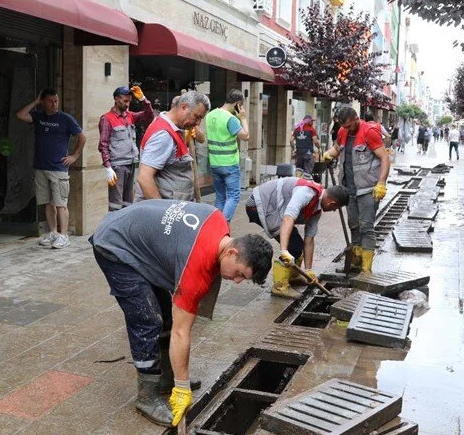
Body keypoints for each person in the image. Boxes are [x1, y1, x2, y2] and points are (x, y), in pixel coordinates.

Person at [90, 199, 272, 426]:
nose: (236, 282)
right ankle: (146, 397)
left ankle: (166, 378)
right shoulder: (195, 269)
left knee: (165, 313)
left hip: (137, 233)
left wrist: (179, 379)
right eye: (240, 274)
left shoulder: (217, 219)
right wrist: (183, 387)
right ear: (232, 252)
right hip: (115, 244)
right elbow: (180, 332)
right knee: (147, 319)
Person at [246, 178, 349, 298]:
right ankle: (279, 286)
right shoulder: (306, 193)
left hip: (276, 208)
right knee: (293, 247)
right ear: (332, 203)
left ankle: (293, 276)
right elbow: (288, 218)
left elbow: (309, 239)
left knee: (297, 244)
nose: (334, 210)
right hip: (258, 204)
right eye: (335, 208)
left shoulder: (317, 208)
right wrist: (284, 250)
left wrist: (308, 270)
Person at [322, 106, 391, 274]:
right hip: (348, 190)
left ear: (356, 118)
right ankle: (355, 263)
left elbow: (384, 158)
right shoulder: (343, 132)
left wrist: (381, 183)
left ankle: (366, 269)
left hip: (368, 189)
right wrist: (329, 153)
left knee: (366, 227)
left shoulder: (369, 132)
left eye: (349, 126)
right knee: (353, 226)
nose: (346, 130)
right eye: (344, 127)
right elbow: (338, 148)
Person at [16, 89, 86, 249]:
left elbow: (82, 137)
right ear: (44, 102)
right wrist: (35, 102)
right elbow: (20, 115)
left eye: (56, 101)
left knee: (61, 203)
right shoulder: (39, 117)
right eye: (50, 101)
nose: (54, 104)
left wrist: (74, 156)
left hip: (58, 168)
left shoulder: (65, 119)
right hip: (41, 167)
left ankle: (64, 235)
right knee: (47, 202)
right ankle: (53, 232)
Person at [137, 90, 211, 201]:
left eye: (201, 118)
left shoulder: (175, 128)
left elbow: (201, 138)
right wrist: (163, 211)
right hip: (167, 210)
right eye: (196, 116)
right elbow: (144, 178)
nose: (198, 123)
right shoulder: (163, 135)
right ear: (184, 107)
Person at [99, 85, 154, 212]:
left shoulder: (129, 116)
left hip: (131, 163)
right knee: (115, 205)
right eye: (125, 101)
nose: (127, 104)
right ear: (116, 99)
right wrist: (108, 167)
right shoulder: (107, 119)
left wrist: (143, 99)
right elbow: (103, 144)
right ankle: (113, 229)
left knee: (128, 203)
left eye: (129, 101)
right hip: (117, 166)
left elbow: (149, 116)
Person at [205, 89, 250, 220]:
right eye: (240, 105)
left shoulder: (211, 115)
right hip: (229, 164)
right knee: (234, 196)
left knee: (220, 197)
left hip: (214, 163)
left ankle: (215, 225)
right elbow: (246, 136)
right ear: (237, 103)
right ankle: (223, 223)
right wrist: (243, 118)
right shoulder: (231, 119)